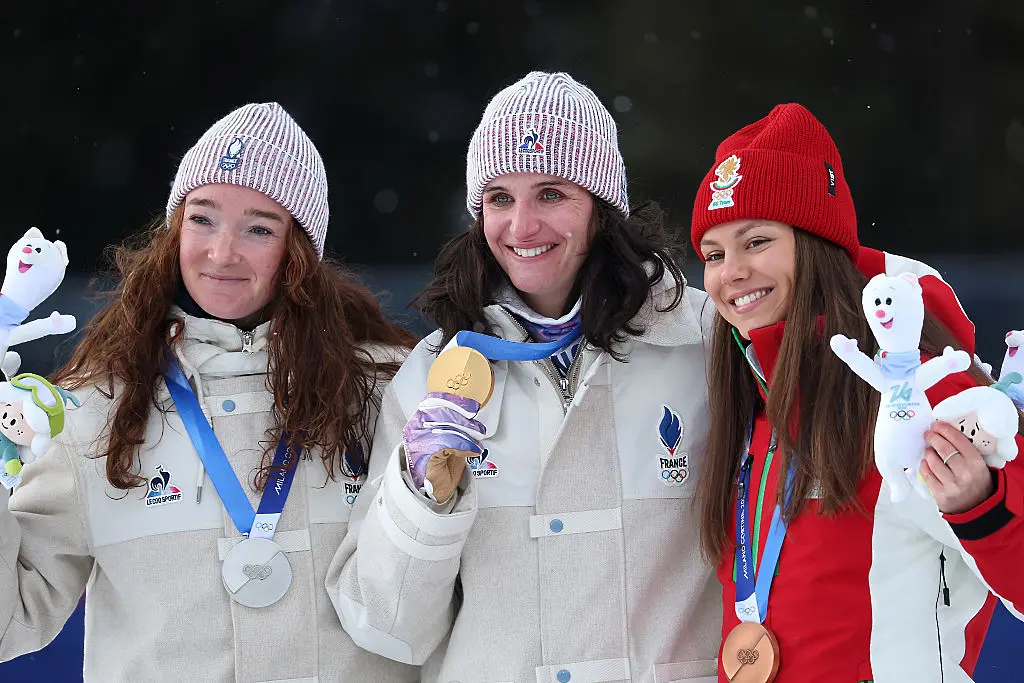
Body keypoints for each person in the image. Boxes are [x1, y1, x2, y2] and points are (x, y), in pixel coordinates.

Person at [0, 102, 422, 682]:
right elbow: (11, 623)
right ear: (174, 229)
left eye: (258, 228)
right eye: (202, 218)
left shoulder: (385, 391)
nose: (222, 252)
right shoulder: (93, 408)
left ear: (298, 251)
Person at [328, 72, 722, 682]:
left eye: (551, 194)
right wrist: (420, 499)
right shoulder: (436, 374)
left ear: (602, 207)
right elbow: (387, 626)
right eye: (500, 199)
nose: (521, 227)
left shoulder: (704, 342)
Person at [690, 103, 1024, 682]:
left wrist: (981, 503)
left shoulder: (915, 390)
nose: (731, 272)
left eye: (756, 241)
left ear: (816, 244)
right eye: (714, 255)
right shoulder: (746, 402)